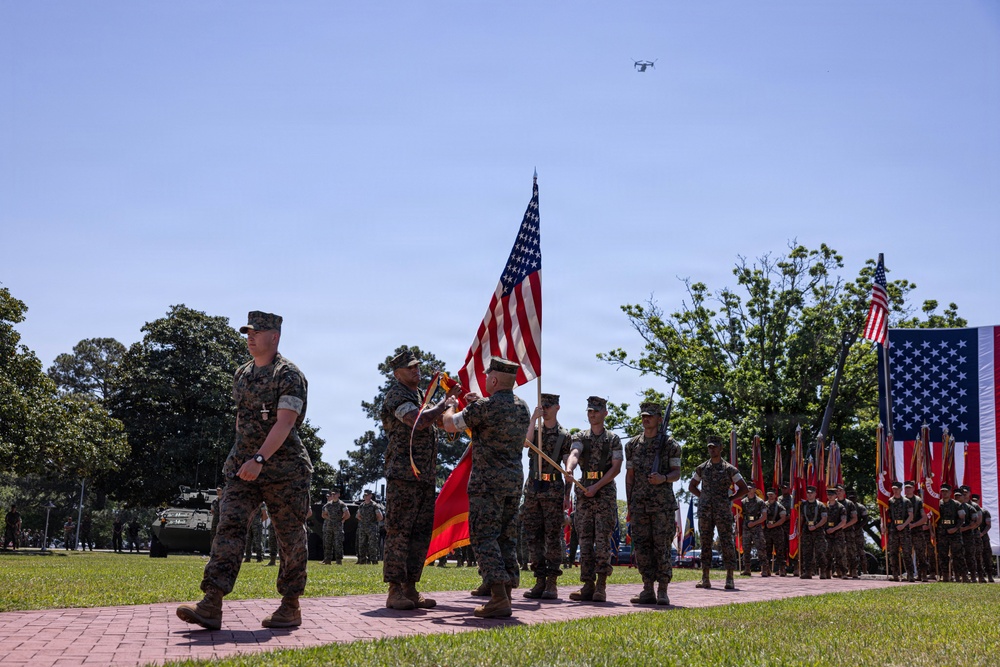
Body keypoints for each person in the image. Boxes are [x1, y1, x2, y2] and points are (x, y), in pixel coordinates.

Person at [177, 311, 312, 630]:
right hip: (244, 469)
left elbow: (285, 423)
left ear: (274, 336)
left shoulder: (289, 374)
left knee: (289, 536)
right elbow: (242, 421)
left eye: (257, 332)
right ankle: (212, 601)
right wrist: (240, 460)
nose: (250, 337)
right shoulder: (242, 374)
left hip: (284, 470)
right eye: (248, 332)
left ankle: (290, 605)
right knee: (229, 526)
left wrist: (259, 459)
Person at [441, 356, 531, 618]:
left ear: (493, 380)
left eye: (487, 376)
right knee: (506, 537)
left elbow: (449, 424)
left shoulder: (485, 407)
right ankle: (507, 594)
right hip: (513, 483)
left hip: (487, 484)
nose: (485, 379)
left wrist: (450, 406)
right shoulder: (522, 407)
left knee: (484, 537)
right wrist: (476, 404)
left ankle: (498, 596)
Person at [380, 349, 457, 610]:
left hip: (424, 477)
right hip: (403, 476)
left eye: (417, 366)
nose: (416, 370)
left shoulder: (420, 396)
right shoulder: (397, 395)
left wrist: (453, 406)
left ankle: (411, 588)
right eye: (410, 368)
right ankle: (394, 590)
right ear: (397, 374)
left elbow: (439, 422)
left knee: (420, 533)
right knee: (399, 532)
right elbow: (417, 421)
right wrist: (442, 404)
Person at [563, 396, 623, 603]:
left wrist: (596, 487)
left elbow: (616, 468)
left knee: (602, 540)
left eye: (596, 411)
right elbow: (575, 452)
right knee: (585, 540)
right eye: (589, 411)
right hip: (584, 490)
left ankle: (601, 585)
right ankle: (587, 584)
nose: (592, 414)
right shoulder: (581, 436)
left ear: (605, 413)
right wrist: (569, 468)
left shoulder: (613, 439)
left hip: (604, 492)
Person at [625, 401, 680, 605]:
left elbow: (677, 473)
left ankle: (663, 590)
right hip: (639, 505)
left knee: (662, 547)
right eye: (643, 416)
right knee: (642, 547)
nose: (646, 419)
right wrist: (630, 504)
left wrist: (663, 478)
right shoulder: (632, 445)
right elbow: (630, 476)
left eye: (650, 416)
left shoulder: (670, 445)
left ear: (659, 419)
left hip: (662, 506)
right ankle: (647, 589)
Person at [520, 393, 573, 601]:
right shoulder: (535, 430)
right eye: (542, 405)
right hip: (533, 487)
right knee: (533, 536)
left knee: (552, 536)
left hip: (553, 488)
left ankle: (552, 582)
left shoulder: (564, 435)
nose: (545, 409)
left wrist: (567, 488)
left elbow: (568, 462)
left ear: (557, 407)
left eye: (548, 406)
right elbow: (526, 443)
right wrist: (533, 419)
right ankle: (539, 580)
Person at [689, 435, 747, 590]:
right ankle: (705, 578)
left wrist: (730, 499)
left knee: (727, 542)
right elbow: (692, 486)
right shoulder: (702, 468)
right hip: (705, 512)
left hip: (723, 512)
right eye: (710, 447)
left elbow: (744, 488)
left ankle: (730, 578)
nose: (712, 449)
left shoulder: (729, 469)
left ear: (721, 448)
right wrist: (703, 497)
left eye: (715, 447)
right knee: (705, 543)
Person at [936, 484, 968, 582]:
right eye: (943, 491)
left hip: (954, 533)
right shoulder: (937, 504)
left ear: (950, 492)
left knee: (958, 555)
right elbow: (933, 518)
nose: (944, 493)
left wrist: (955, 528)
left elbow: (962, 518)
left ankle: (963, 576)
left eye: (946, 491)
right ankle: (945, 576)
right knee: (942, 555)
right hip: (942, 533)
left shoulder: (957, 504)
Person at [885, 481, 914, 582]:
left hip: (904, 529)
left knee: (906, 553)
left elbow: (911, 516)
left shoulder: (906, 501)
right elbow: (886, 515)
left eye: (897, 489)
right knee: (893, 552)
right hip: (893, 529)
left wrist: (903, 525)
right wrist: (884, 526)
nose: (895, 490)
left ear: (901, 489)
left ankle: (910, 574)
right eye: (894, 489)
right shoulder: (889, 501)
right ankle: (895, 574)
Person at [798, 486, 828, 579]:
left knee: (820, 552)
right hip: (807, 531)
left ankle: (822, 571)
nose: (809, 494)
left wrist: (815, 526)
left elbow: (824, 519)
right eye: (808, 493)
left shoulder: (821, 505)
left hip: (818, 531)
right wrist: (799, 530)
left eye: (811, 493)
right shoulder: (803, 505)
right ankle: (808, 572)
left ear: (815, 494)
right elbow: (801, 518)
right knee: (807, 552)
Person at [904, 482, 929, 582]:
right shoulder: (901, 500)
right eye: (906, 488)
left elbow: (924, 518)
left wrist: (914, 525)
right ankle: (910, 574)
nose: (908, 490)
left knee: (920, 553)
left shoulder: (918, 501)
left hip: (917, 530)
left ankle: (923, 574)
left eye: (909, 488)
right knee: (907, 553)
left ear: (913, 488)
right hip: (905, 531)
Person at [739, 482, 766, 577]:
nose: (749, 490)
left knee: (760, 548)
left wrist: (754, 523)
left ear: (755, 489)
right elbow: (740, 514)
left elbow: (764, 517)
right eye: (748, 488)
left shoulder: (760, 502)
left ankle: (764, 569)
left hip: (756, 527)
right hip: (746, 527)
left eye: (751, 488)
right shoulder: (742, 502)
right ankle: (747, 569)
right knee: (746, 548)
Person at [823, 486, 847, 579]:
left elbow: (843, 522)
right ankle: (827, 572)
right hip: (826, 534)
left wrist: (833, 529)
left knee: (840, 553)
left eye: (832, 494)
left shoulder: (841, 507)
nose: (830, 496)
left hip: (838, 534)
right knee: (827, 553)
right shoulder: (824, 506)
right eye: (829, 494)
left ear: (836, 495)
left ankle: (843, 572)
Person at [762, 489, 787, 577]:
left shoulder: (780, 506)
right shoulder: (763, 505)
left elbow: (783, 518)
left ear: (775, 495)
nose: (770, 496)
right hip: (766, 531)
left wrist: (773, 525)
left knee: (780, 550)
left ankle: (782, 569)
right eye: (769, 494)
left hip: (777, 530)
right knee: (766, 550)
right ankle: (766, 569)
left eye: (772, 494)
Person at [321, 489, 349, 565]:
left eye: (335, 494)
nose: (333, 496)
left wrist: (342, 520)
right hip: (329, 527)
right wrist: (329, 518)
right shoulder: (328, 505)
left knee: (338, 543)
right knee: (328, 543)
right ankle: (327, 560)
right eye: (332, 494)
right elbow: (323, 514)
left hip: (338, 527)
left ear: (338, 495)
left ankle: (338, 560)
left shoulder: (342, 504)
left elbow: (347, 514)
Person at [356, 490, 384, 566]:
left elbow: (380, 517)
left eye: (367, 495)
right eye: (364, 495)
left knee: (372, 545)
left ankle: (374, 560)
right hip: (363, 528)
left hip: (372, 528)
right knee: (362, 544)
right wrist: (364, 520)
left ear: (370, 496)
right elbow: (358, 516)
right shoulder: (361, 505)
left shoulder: (375, 505)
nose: (365, 497)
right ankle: (362, 561)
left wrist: (373, 521)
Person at [974, 495, 994, 582]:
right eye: (973, 500)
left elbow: (988, 525)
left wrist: (982, 533)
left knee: (987, 556)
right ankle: (980, 575)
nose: (974, 502)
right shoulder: (970, 511)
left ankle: (990, 575)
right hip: (973, 537)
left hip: (983, 537)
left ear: (979, 501)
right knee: (976, 557)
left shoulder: (985, 512)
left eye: (976, 500)